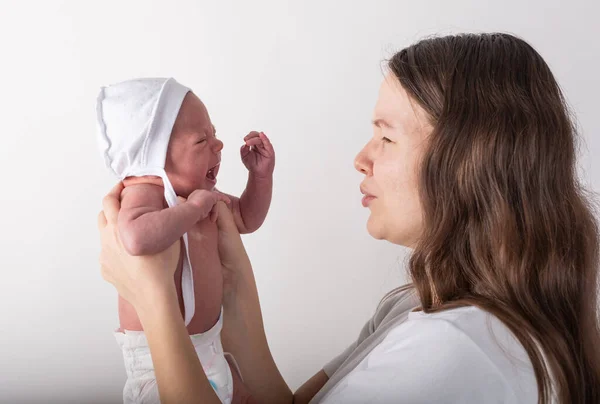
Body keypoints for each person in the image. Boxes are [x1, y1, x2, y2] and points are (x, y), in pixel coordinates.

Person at [97, 33, 600, 404]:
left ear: (468, 162)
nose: (361, 158)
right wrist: (236, 287)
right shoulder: (413, 307)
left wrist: (154, 300)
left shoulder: (454, 353)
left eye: (386, 137)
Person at [96, 77, 275, 404]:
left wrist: (259, 177)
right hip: (156, 359)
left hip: (211, 347)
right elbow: (135, 238)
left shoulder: (199, 195)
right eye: (202, 140)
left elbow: (247, 218)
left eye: (215, 134)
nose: (218, 146)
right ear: (154, 154)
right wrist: (192, 209)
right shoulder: (145, 192)